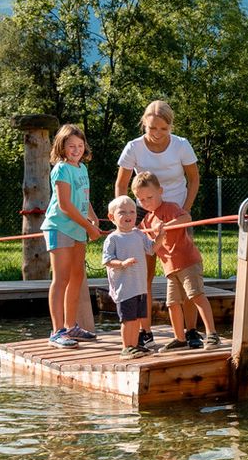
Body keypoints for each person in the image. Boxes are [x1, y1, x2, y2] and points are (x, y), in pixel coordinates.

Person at [114, 101, 199, 344]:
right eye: (152, 128)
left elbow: (194, 180)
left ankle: (191, 331)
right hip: (144, 212)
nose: (158, 134)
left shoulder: (181, 145)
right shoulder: (134, 147)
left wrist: (185, 211)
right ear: (144, 124)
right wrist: (124, 214)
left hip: (176, 212)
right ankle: (146, 332)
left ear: (171, 126)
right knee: (144, 274)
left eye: (164, 128)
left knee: (183, 271)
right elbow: (121, 185)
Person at [133, 170, 219, 350]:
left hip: (188, 262)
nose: (146, 202)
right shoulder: (147, 219)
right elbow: (139, 235)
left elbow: (186, 217)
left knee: (196, 295)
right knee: (172, 303)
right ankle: (180, 339)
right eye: (142, 200)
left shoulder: (170, 208)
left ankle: (212, 334)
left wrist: (165, 227)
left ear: (160, 191)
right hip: (170, 268)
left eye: (150, 197)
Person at [43, 124, 102, 348]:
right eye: (71, 146)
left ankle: (71, 326)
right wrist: (89, 227)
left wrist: (93, 218)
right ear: (62, 147)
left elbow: (83, 199)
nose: (76, 149)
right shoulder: (61, 169)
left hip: (78, 229)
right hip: (60, 227)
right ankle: (57, 331)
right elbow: (65, 205)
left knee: (77, 277)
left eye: (80, 145)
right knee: (62, 278)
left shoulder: (82, 169)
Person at [101, 195, 155, 358]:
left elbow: (151, 249)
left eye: (132, 212)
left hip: (139, 286)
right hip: (125, 288)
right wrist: (122, 264)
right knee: (128, 320)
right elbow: (107, 261)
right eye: (122, 212)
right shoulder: (113, 238)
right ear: (112, 217)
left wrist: (161, 235)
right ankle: (126, 347)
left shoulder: (139, 234)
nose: (128, 215)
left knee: (137, 318)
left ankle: (134, 345)